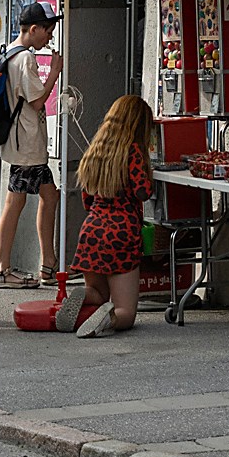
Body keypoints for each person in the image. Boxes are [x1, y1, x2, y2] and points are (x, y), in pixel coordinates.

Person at [70, 93, 157, 338]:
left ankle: (83, 295)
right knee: (126, 312)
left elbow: (87, 198)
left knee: (98, 293)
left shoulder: (96, 151)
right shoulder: (133, 152)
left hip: (92, 229)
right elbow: (143, 192)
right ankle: (108, 319)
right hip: (121, 232)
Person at [0, 3, 63, 288]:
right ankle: (1, 269)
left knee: (50, 194)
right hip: (26, 143)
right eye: (47, 31)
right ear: (33, 29)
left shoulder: (9, 52)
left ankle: (48, 262)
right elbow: (36, 101)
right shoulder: (25, 60)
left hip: (22, 141)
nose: (49, 38)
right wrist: (54, 72)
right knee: (15, 201)